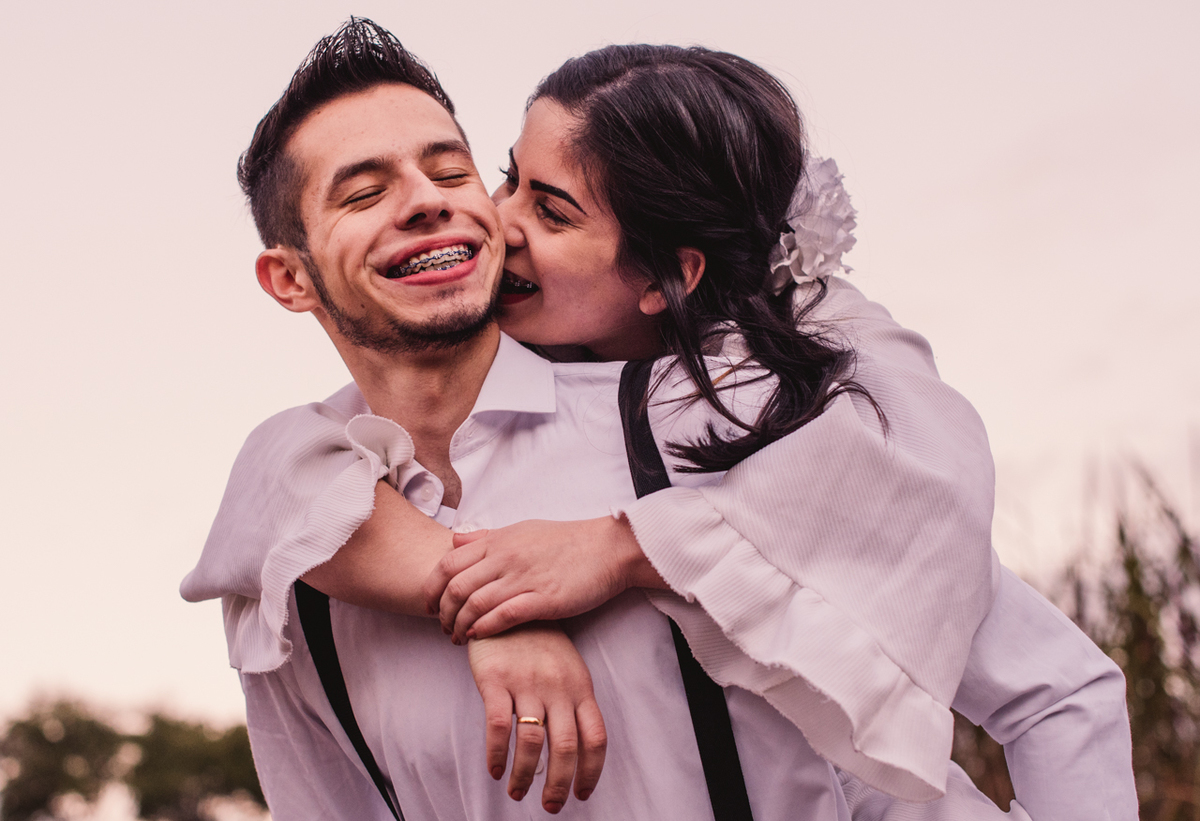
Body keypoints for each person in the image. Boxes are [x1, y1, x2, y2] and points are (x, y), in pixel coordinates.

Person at [182, 19, 1135, 820]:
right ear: (289, 278)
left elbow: (1054, 686)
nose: (446, 206)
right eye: (364, 190)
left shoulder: (733, 422)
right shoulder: (293, 575)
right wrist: (474, 603)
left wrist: (632, 544)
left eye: (453, 169)